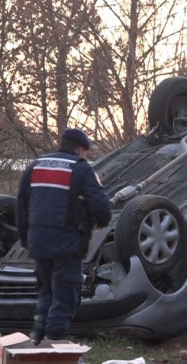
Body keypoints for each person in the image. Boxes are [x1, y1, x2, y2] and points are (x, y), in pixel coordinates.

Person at [17, 129, 112, 344]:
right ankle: (53, 341)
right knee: (66, 295)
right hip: (67, 244)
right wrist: (101, 222)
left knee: (46, 292)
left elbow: (21, 204)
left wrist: (24, 238)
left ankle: (38, 338)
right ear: (80, 149)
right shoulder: (81, 169)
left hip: (38, 243)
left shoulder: (36, 165)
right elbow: (100, 204)